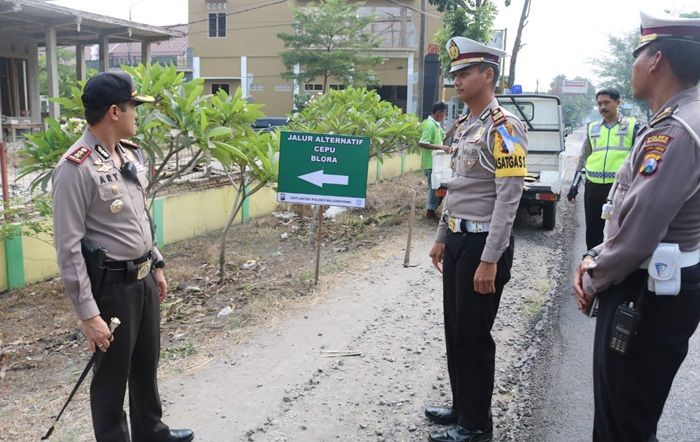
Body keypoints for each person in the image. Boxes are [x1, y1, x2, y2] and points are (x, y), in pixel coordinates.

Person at [573, 10, 700, 442]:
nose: (632, 65)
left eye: (637, 54)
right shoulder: (673, 119)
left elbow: (641, 228)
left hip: (644, 289)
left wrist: (593, 276)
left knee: (622, 421)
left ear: (656, 60)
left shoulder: (677, 129)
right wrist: (595, 253)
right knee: (629, 414)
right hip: (648, 281)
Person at [52, 72, 194, 442]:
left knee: (146, 364)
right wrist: (88, 315)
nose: (136, 115)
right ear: (114, 112)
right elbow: (68, 250)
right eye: (133, 107)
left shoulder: (127, 156)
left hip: (143, 279)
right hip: (111, 288)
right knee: (112, 379)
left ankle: (152, 432)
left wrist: (157, 263)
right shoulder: (75, 169)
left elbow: (139, 216)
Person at [425, 36, 527, 442]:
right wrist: (440, 236)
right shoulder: (466, 124)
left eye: (465, 73)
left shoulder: (506, 128)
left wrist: (490, 259)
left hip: (484, 246)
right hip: (458, 241)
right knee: (455, 329)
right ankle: (461, 406)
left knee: (474, 337)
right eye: (454, 75)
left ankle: (477, 425)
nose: (457, 81)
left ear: (488, 74)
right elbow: (458, 187)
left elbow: (509, 198)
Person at [567, 87, 639, 249]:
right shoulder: (592, 127)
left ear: (617, 103)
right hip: (593, 186)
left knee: (621, 230)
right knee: (593, 230)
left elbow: (639, 158)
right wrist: (574, 186)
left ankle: (617, 266)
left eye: (607, 102)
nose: (603, 107)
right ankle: (592, 265)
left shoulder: (633, 126)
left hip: (620, 188)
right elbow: (583, 158)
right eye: (599, 103)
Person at [419, 101, 450, 220]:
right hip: (431, 163)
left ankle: (432, 209)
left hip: (437, 163)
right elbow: (422, 143)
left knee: (440, 187)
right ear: (439, 112)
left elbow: (444, 137)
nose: (445, 117)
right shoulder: (429, 125)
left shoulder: (436, 125)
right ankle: (430, 211)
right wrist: (441, 147)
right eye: (445, 114)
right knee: (435, 188)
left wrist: (455, 126)